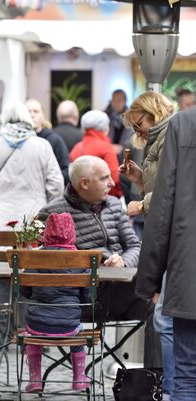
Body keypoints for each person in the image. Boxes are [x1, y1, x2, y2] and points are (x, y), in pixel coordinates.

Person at [38, 156, 160, 368]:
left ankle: (154, 376)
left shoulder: (113, 205)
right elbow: (45, 259)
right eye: (105, 178)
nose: (113, 183)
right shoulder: (53, 213)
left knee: (160, 304)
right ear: (85, 183)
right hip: (79, 301)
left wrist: (122, 261)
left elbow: (136, 246)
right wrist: (95, 264)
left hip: (120, 295)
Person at [136, 107, 196, 401]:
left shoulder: (184, 123)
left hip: (190, 273)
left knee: (187, 377)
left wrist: (150, 279)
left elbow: (163, 208)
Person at [121, 91, 174, 399]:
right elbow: (161, 184)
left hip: (173, 237)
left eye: (136, 122)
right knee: (164, 317)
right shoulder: (157, 137)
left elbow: (178, 187)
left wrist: (141, 205)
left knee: (164, 318)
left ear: (152, 112)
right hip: (164, 234)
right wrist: (139, 178)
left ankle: (171, 389)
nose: (135, 130)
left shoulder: (171, 135)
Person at [21, 212, 91, 393]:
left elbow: (24, 292)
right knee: (78, 333)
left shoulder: (35, 257)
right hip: (69, 324)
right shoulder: (80, 259)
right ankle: (79, 378)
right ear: (72, 233)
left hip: (36, 323)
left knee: (32, 336)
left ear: (46, 233)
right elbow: (88, 298)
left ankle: (35, 380)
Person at [0, 102, 63, 231]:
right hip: (33, 213)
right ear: (27, 118)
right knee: (29, 249)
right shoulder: (43, 146)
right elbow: (56, 185)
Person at [69, 110, 123, 198]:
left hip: (79, 198)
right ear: (105, 128)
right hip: (101, 200)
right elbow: (114, 179)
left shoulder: (76, 148)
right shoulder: (106, 148)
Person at [26, 98, 70, 185]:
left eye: (36, 111)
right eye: (28, 111)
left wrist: (49, 182)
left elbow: (65, 170)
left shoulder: (54, 140)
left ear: (42, 115)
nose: (32, 115)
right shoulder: (17, 140)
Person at [104, 89, 133, 154]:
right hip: (108, 151)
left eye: (119, 101)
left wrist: (123, 148)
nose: (116, 103)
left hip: (125, 153)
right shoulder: (105, 116)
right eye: (114, 100)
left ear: (125, 101)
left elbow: (132, 138)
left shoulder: (131, 117)